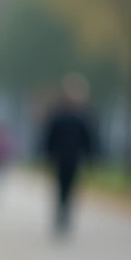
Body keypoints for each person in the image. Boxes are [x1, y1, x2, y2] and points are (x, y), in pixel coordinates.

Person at [40, 74, 99, 237]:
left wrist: (91, 157)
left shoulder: (82, 117)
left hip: (73, 159)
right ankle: (61, 212)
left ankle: (64, 213)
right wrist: (48, 154)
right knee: (61, 187)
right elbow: (50, 137)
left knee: (70, 187)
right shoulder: (60, 115)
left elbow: (89, 140)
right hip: (61, 158)